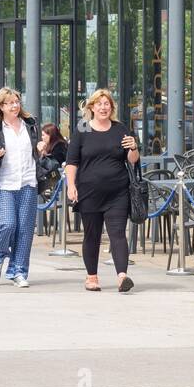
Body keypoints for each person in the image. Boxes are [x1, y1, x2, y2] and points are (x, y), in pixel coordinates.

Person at [65, 89, 140, 293]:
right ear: (91, 107)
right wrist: (71, 185)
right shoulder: (83, 129)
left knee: (117, 233)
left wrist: (134, 147)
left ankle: (122, 276)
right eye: (99, 103)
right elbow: (72, 162)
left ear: (112, 107)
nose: (103, 107)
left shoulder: (120, 129)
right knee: (92, 235)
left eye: (107, 104)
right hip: (89, 192)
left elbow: (132, 161)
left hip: (118, 191)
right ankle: (92, 277)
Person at [0, 88, 41, 288]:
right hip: (5, 184)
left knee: (24, 230)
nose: (15, 106)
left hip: (28, 182)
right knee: (7, 224)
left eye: (16, 101)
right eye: (10, 103)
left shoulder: (30, 125)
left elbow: (37, 149)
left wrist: (42, 147)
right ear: (1, 106)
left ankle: (18, 272)